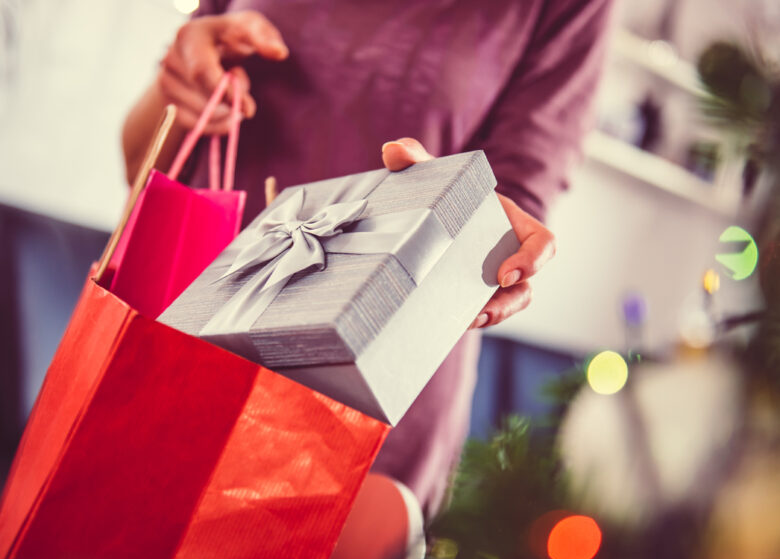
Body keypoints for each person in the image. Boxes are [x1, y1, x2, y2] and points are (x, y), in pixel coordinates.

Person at [122, 0, 612, 520]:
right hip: (184, 345)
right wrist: (177, 85)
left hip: (368, 387)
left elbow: (513, 209)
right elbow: (141, 169)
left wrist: (474, 223)